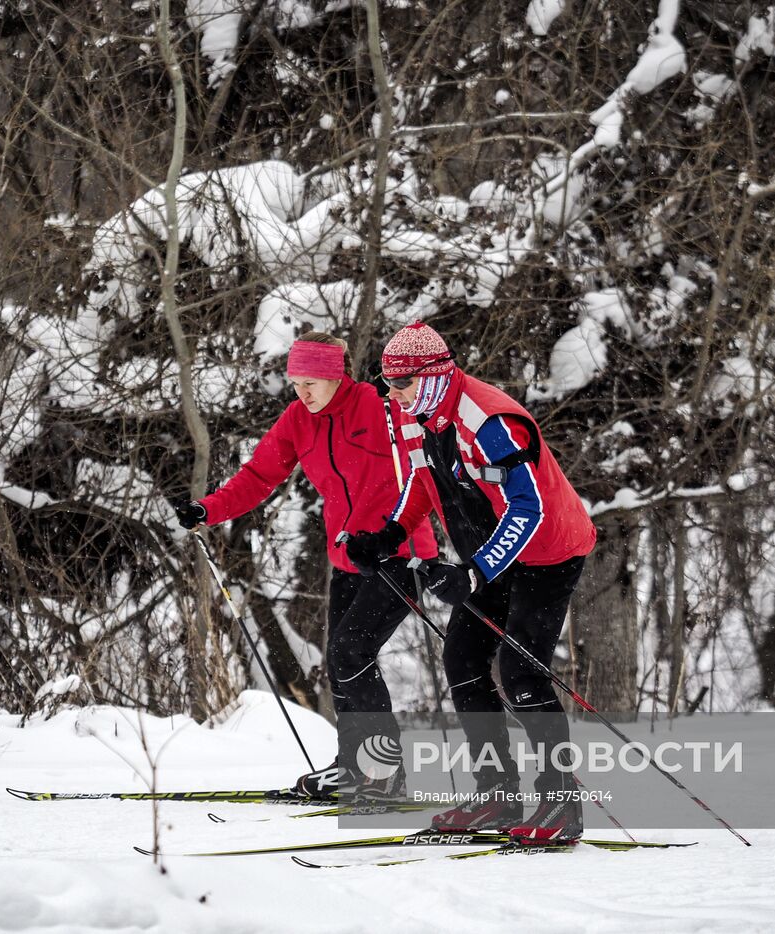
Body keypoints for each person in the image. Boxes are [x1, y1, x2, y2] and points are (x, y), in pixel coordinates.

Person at [343, 321, 597, 842]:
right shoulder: (418, 413)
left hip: (547, 551)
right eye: (388, 382)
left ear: (434, 375)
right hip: (492, 553)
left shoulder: (491, 420)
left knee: (521, 671)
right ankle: (497, 793)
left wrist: (475, 572)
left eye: (402, 382)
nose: (393, 393)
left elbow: (529, 507)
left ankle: (560, 802)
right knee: (461, 658)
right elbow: (422, 479)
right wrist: (389, 534)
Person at [171, 332, 437, 799]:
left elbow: (427, 461)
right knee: (342, 662)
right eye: (296, 382)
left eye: (311, 381)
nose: (302, 392)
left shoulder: (380, 407)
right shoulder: (299, 420)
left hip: (400, 553)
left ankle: (383, 774)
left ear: (337, 375)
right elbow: (259, 475)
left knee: (349, 653)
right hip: (349, 559)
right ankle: (356, 767)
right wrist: (208, 509)